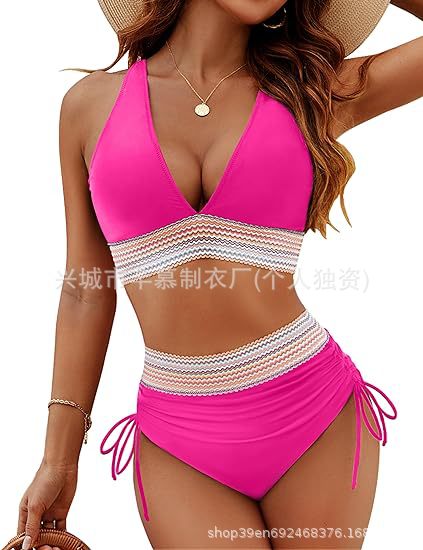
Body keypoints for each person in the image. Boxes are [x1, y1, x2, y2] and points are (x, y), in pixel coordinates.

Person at [17, 1, 422, 549]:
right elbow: (86, 290)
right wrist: (58, 458)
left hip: (314, 415)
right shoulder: (88, 106)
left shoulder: (315, 91)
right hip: (178, 438)